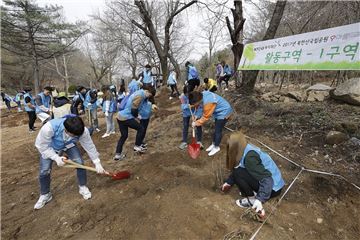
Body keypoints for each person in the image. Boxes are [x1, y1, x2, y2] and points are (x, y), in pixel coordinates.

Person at [34, 115, 106, 209]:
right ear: (66, 130)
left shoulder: (82, 131)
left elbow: (89, 146)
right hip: (50, 148)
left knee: (79, 163)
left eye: (78, 136)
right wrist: (56, 157)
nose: (77, 137)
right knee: (44, 170)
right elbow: (42, 146)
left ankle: (82, 186)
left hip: (69, 145)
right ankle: (45, 194)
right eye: (74, 135)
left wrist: (97, 162)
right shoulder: (49, 128)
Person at [221, 132, 285, 216]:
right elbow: (241, 166)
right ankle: (255, 193)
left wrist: (259, 200)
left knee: (238, 173)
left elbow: (267, 179)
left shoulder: (250, 158)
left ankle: (251, 199)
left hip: (272, 188)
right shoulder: (245, 149)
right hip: (275, 183)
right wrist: (229, 182)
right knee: (238, 171)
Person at [114, 86, 156, 161]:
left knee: (124, 136)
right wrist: (137, 116)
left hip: (120, 116)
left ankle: (117, 155)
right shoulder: (140, 95)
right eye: (150, 95)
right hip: (126, 117)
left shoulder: (138, 92)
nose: (149, 96)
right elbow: (134, 108)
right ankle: (137, 146)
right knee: (141, 128)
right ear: (147, 91)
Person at [189, 90, 233, 156]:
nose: (194, 105)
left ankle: (216, 147)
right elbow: (200, 107)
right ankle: (214, 144)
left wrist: (196, 123)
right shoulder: (202, 95)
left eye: (194, 104)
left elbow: (205, 117)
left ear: (197, 101)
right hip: (218, 111)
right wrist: (196, 116)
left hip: (224, 111)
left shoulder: (208, 103)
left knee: (218, 130)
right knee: (216, 128)